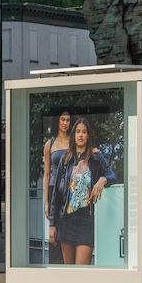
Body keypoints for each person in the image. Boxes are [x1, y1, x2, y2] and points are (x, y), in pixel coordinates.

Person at [50, 117, 114, 264]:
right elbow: (56, 195)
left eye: (84, 132)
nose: (80, 135)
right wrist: (52, 225)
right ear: (74, 135)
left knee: (82, 272)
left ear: (88, 135)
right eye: (78, 131)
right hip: (66, 221)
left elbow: (112, 174)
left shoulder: (96, 158)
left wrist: (103, 180)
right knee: (70, 272)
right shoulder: (65, 159)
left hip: (86, 221)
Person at [39, 106, 73, 261]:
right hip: (54, 190)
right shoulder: (50, 144)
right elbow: (46, 175)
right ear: (57, 121)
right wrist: (46, 202)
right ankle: (55, 265)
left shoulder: (73, 142)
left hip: (70, 189)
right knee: (54, 231)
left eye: (68, 120)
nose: (65, 123)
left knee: (68, 229)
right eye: (63, 119)